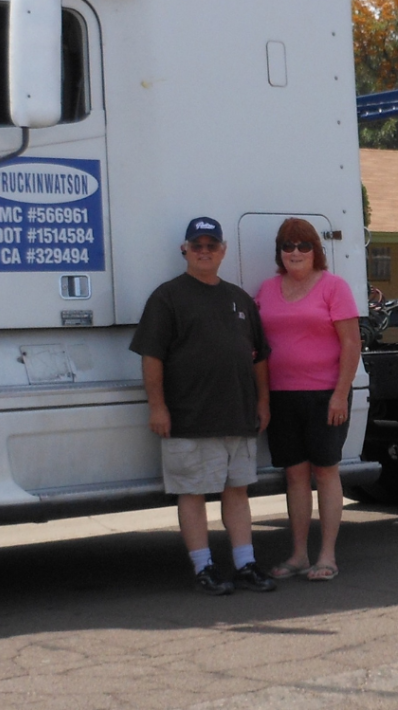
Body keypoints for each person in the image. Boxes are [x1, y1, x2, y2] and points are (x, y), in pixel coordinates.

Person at [130, 217, 275, 595]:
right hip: (188, 416)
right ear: (185, 250)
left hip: (238, 415)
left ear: (223, 251)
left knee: (237, 491)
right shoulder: (167, 297)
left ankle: (245, 564)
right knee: (191, 493)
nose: (205, 251)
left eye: (212, 245)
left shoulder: (239, 299)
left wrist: (263, 402)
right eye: (198, 245)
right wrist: (157, 407)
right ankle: (203, 567)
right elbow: (151, 357)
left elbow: (259, 357)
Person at [255, 217, 360, 582]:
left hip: (325, 396)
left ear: (316, 251)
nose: (295, 252)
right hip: (282, 396)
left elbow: (351, 342)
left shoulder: (334, 287)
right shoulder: (266, 290)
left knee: (326, 472)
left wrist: (341, 394)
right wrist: (263, 400)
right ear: (279, 253)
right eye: (288, 246)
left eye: (303, 246)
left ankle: (326, 555)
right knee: (295, 476)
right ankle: (298, 554)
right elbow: (258, 349)